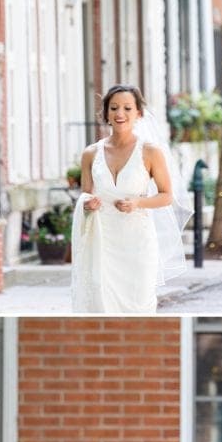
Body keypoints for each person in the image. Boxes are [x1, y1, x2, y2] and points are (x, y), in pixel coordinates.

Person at [71, 85, 191, 313]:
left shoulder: (150, 152)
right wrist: (87, 205)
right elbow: (86, 195)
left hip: (137, 242)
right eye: (114, 108)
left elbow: (166, 196)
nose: (120, 114)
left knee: (139, 304)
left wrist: (138, 203)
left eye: (127, 108)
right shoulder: (90, 154)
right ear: (106, 113)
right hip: (102, 241)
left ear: (139, 113)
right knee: (101, 303)